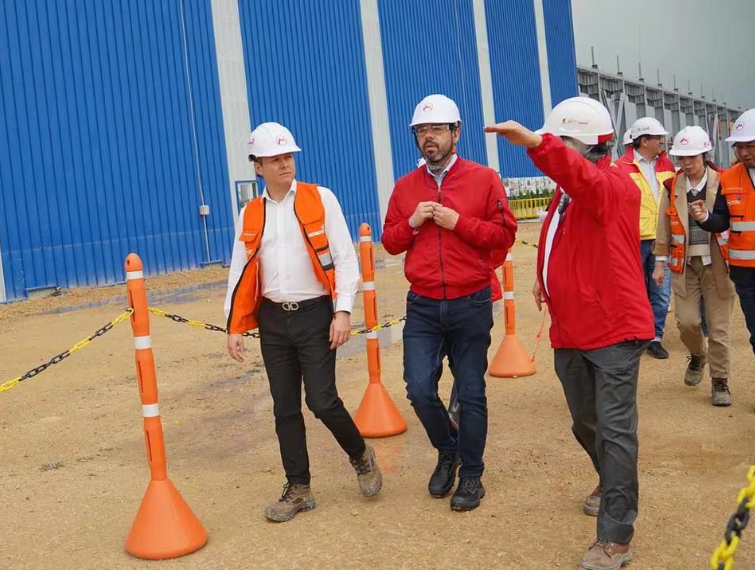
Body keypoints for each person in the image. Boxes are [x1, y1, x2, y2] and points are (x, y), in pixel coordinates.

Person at [485, 96, 654, 570]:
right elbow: (559, 237)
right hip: (571, 328)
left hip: (614, 330)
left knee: (617, 430)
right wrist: (544, 277)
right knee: (586, 423)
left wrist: (536, 144)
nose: (554, 151)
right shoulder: (566, 194)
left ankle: (615, 536)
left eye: (560, 142)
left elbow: (584, 181)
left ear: (577, 144)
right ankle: (611, 480)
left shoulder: (617, 185)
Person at [224, 122, 382, 522]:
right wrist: (234, 325)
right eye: (275, 159)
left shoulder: (320, 198)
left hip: (315, 315)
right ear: (257, 166)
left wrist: (343, 310)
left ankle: (361, 454)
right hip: (273, 320)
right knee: (285, 408)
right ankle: (299, 488)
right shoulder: (250, 212)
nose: (284, 164)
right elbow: (240, 270)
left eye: (288, 157)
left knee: (321, 400)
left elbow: (345, 259)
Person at [382, 94, 517, 511]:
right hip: (423, 304)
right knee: (419, 388)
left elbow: (503, 235)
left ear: (456, 133)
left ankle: (472, 476)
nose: (429, 138)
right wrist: (413, 222)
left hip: (470, 301)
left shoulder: (483, 179)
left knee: (472, 392)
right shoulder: (406, 188)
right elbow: (389, 242)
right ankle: (448, 450)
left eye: (437, 130)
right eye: (422, 132)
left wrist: (459, 223)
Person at [653, 126, 735, 406]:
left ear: (704, 154)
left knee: (719, 327)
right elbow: (663, 227)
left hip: (718, 264)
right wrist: (659, 263)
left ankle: (720, 381)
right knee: (687, 322)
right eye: (681, 158)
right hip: (684, 264)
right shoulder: (672, 185)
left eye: (691, 157)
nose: (685, 163)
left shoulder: (725, 181)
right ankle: (698, 355)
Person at [691, 108, 755, 364]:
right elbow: (721, 221)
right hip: (745, 273)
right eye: (738, 147)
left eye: (749, 146)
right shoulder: (728, 179)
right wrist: (704, 217)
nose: (742, 153)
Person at [617, 117, 677, 359]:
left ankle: (656, 337)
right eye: (658, 138)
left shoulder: (668, 166)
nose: (662, 141)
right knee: (636, 291)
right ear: (644, 140)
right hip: (633, 240)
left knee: (661, 292)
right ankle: (637, 334)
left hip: (662, 239)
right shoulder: (620, 167)